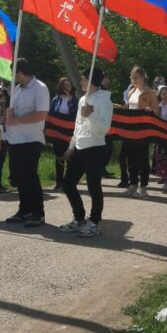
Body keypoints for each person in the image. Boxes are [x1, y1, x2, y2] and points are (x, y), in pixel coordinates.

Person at [60, 68, 114, 237]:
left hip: (96, 148)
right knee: (68, 184)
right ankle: (79, 218)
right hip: (79, 148)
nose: (81, 82)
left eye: (84, 79)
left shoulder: (106, 101)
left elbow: (105, 128)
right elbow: (78, 125)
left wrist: (90, 115)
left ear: (93, 82)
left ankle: (95, 222)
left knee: (93, 187)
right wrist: (70, 147)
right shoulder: (83, 99)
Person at [5, 58, 51, 228]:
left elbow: (41, 115)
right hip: (15, 138)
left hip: (31, 139)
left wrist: (16, 120)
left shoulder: (40, 88)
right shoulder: (17, 89)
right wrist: (9, 114)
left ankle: (38, 213)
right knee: (19, 176)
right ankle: (24, 210)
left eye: (13, 73)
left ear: (20, 73)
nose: (12, 76)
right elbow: (14, 113)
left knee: (30, 176)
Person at [124, 65, 159, 198]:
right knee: (131, 158)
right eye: (132, 77)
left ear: (143, 77)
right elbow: (127, 108)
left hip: (143, 130)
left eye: (136, 77)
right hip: (130, 130)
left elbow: (157, 110)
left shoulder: (150, 93)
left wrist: (151, 110)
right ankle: (132, 184)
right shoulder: (131, 91)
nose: (133, 80)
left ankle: (143, 187)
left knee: (142, 158)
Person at [49, 76, 78, 189]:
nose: (67, 87)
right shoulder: (55, 99)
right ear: (61, 86)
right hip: (57, 133)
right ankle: (59, 181)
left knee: (70, 157)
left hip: (70, 133)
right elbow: (51, 115)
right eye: (65, 85)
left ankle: (69, 181)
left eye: (69, 85)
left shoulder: (75, 100)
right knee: (59, 157)